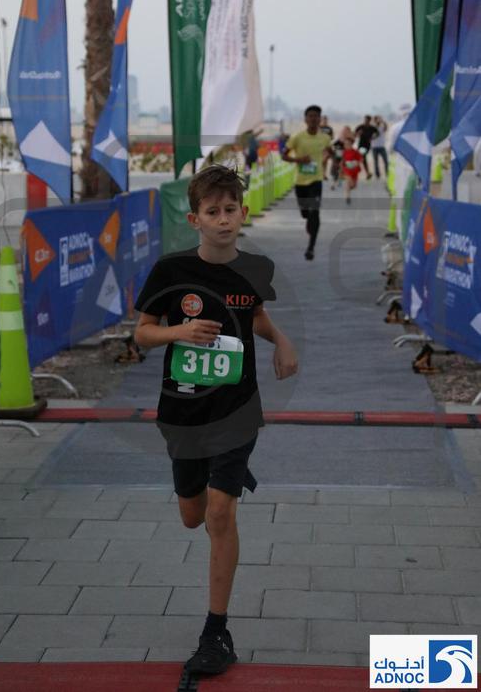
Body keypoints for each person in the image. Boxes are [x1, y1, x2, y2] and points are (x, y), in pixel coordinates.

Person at [134, 165, 298, 677]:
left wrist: (282, 341)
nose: (223, 219)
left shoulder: (256, 269)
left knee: (220, 515)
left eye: (230, 210)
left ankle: (216, 631)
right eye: (213, 211)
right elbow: (142, 333)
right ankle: (217, 481)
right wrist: (178, 332)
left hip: (237, 410)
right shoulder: (170, 271)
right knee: (193, 516)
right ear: (195, 219)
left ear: (243, 213)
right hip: (183, 413)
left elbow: (255, 316)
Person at [282, 105, 332, 260]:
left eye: (316, 116)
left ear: (320, 119)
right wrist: (299, 160)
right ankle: (308, 219)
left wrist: (326, 159)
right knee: (306, 213)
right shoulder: (297, 137)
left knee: (314, 211)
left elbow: (330, 151)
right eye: (310, 116)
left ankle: (311, 248)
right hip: (300, 182)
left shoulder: (325, 138)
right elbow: (284, 156)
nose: (313, 119)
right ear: (305, 119)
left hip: (316, 180)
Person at [341, 133, 363, 204]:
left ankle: (347, 190)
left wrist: (357, 163)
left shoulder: (355, 151)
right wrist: (341, 167)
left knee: (354, 186)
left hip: (354, 170)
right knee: (348, 182)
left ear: (351, 144)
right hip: (347, 170)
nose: (346, 145)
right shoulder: (344, 152)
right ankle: (347, 197)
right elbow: (343, 160)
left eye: (348, 144)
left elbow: (361, 159)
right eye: (345, 144)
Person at [354, 115, 378, 179]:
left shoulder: (372, 128)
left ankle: (367, 173)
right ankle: (367, 173)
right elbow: (354, 134)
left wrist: (373, 138)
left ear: (369, 121)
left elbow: (377, 133)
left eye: (367, 120)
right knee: (362, 158)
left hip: (367, 145)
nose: (365, 121)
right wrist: (358, 134)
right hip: (361, 145)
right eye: (365, 120)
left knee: (362, 158)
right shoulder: (360, 127)